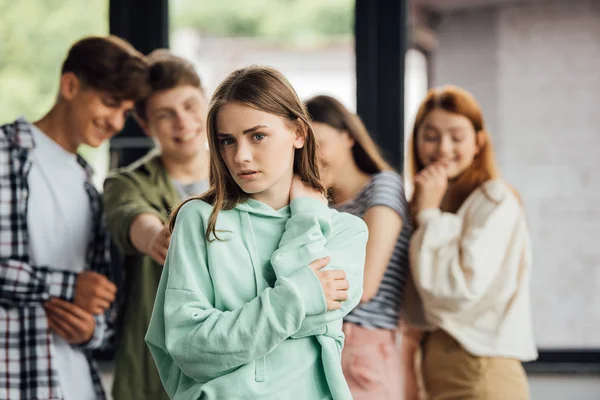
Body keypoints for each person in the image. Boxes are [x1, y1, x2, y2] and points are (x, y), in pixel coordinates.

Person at [145, 66, 368, 400]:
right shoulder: (200, 220)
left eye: (257, 136)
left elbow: (319, 318)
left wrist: (307, 217)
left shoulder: (346, 232)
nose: (241, 156)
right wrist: (299, 297)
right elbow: (190, 347)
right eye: (227, 141)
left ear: (298, 133)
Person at [0, 35, 148, 400]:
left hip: (77, 384)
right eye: (109, 103)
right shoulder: (4, 156)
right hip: (15, 379)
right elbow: (77, 285)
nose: (116, 121)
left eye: (125, 111)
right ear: (70, 86)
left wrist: (90, 331)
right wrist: (66, 286)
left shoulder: (88, 184)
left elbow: (100, 303)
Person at [402, 85, 537, 400]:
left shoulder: (494, 198)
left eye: (457, 137)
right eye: (431, 136)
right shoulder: (429, 199)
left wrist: (430, 216)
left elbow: (456, 289)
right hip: (437, 368)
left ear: (478, 142)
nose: (442, 148)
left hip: (479, 369)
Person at [103, 49, 210, 400]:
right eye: (165, 114)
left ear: (207, 101)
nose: (183, 122)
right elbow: (129, 215)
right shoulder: (127, 182)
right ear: (147, 126)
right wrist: (155, 237)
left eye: (190, 106)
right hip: (156, 376)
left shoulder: (247, 176)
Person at [306, 95, 411, 400]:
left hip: (361, 340)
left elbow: (364, 285)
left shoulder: (383, 186)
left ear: (347, 136)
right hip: (325, 341)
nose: (312, 159)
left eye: (320, 144)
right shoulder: (322, 205)